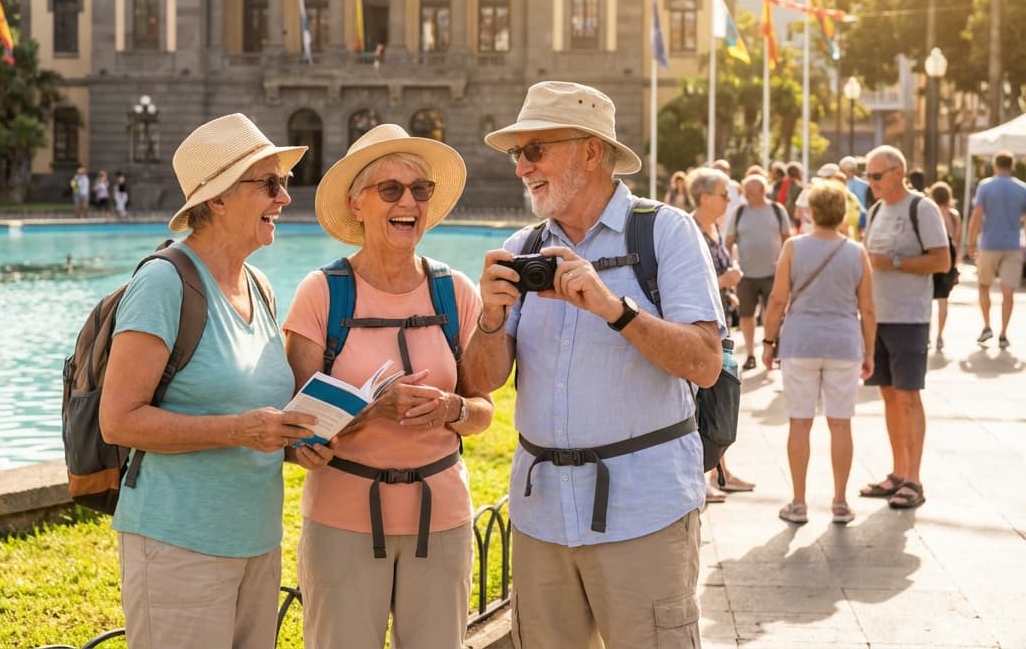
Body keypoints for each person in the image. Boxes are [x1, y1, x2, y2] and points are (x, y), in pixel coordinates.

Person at [462, 81, 724, 648]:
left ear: (589, 150)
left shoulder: (666, 232)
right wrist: (489, 315)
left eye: (535, 151)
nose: (521, 169)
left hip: (644, 513)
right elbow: (481, 381)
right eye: (516, 154)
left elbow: (705, 363)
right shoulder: (522, 245)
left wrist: (614, 309)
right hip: (542, 518)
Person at [99, 113, 330, 649]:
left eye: (284, 183)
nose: (284, 198)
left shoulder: (261, 286)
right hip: (180, 545)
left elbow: (253, 411)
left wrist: (294, 444)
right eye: (269, 184)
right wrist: (240, 430)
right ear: (219, 199)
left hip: (256, 541)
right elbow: (119, 421)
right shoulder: (163, 283)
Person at [284, 124, 493, 649]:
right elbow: (294, 430)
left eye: (420, 189)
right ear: (357, 204)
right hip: (343, 520)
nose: (409, 202)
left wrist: (451, 408)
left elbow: (484, 409)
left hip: (441, 518)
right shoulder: (321, 294)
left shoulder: (455, 292)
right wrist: (374, 411)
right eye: (391, 189)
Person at [761, 181, 875, 525]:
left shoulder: (794, 247)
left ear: (811, 211)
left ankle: (798, 502)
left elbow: (778, 299)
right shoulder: (857, 252)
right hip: (843, 342)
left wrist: (767, 343)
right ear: (842, 212)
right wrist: (869, 351)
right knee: (841, 424)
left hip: (801, 342)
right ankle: (839, 502)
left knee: (800, 422)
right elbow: (868, 308)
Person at [859, 145, 949, 511]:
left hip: (910, 317)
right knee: (889, 395)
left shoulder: (922, 208)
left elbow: (941, 260)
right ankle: (897, 472)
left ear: (898, 172)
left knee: (909, 397)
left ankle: (914, 478)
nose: (871, 182)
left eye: (876, 175)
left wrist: (893, 261)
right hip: (878, 317)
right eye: (868, 176)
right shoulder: (877, 209)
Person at [689, 166, 752, 500]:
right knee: (708, 401)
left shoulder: (713, 228)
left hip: (722, 326)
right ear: (704, 197)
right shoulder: (689, 230)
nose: (730, 200)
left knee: (722, 399)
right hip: (701, 331)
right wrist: (722, 282)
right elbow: (685, 288)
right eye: (724, 194)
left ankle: (721, 471)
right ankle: (706, 476)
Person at [725, 173, 791, 371]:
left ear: (761, 191)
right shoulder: (739, 212)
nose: (746, 195)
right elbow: (728, 242)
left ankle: (773, 350)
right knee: (746, 316)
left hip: (774, 273)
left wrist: (786, 266)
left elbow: (787, 239)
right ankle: (751, 355)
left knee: (775, 312)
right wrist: (731, 265)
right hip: (746, 274)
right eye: (745, 191)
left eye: (749, 191)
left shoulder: (777, 210)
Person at [966, 151, 1026, 349]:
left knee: (984, 286)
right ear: (1012, 166)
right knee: (1008, 292)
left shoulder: (986, 186)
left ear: (995, 165)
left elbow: (977, 215)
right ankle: (1003, 333)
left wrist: (971, 241)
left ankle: (986, 325)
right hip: (1012, 244)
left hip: (989, 243)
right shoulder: (1021, 188)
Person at [928, 181, 962, 351]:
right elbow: (956, 240)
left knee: (926, 299)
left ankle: (926, 335)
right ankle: (939, 336)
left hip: (931, 258)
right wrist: (956, 265)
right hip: (949, 260)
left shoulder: (930, 212)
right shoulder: (954, 215)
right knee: (943, 301)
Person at [840, 155, 870, 232]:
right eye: (845, 170)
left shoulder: (865, 185)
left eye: (851, 170)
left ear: (855, 170)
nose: (848, 173)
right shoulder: (838, 184)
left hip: (861, 219)